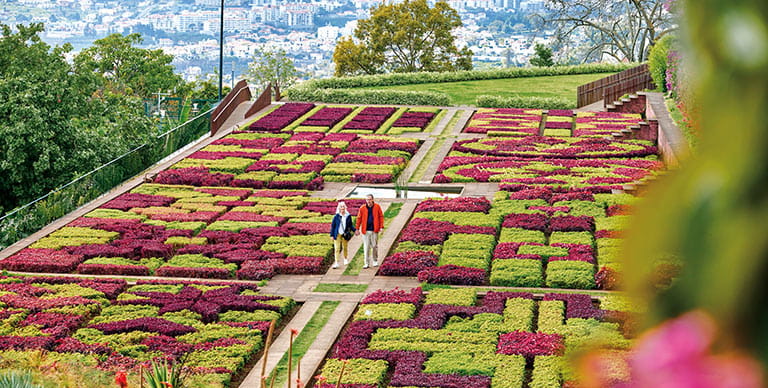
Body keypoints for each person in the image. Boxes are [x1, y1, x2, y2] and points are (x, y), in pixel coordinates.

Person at [355, 194, 384, 269]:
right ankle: (366, 263)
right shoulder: (362, 208)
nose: (368, 201)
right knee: (366, 247)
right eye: (367, 199)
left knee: (374, 246)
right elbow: (359, 218)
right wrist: (357, 228)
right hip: (366, 231)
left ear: (372, 199)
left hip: (375, 230)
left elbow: (381, 216)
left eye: (369, 199)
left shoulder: (377, 207)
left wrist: (381, 227)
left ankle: (375, 260)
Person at [330, 201, 355, 269]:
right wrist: (331, 235)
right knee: (337, 248)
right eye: (341, 207)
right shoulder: (336, 217)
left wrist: (355, 230)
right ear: (339, 208)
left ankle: (345, 258)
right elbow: (333, 226)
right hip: (337, 234)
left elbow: (350, 225)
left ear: (345, 207)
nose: (342, 208)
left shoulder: (348, 216)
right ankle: (336, 262)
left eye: (343, 206)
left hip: (345, 234)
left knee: (345, 247)